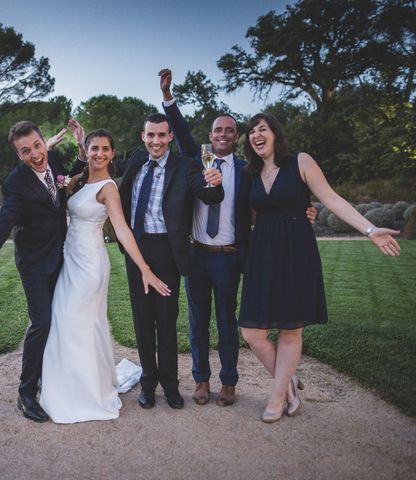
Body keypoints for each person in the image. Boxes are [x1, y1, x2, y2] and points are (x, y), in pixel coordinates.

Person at [159, 69, 317, 407]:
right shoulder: (197, 161)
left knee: (228, 323)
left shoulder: (249, 170)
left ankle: (229, 382)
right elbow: (182, 131)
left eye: (230, 130)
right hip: (198, 255)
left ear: (236, 138)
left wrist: (306, 209)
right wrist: (168, 97)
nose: (223, 134)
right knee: (197, 323)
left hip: (231, 256)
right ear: (211, 135)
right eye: (218, 129)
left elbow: (280, 194)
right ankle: (201, 380)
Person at [238, 112, 401, 423]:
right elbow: (249, 216)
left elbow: (332, 199)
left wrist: (370, 230)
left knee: (290, 327)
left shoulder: (300, 161)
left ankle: (278, 394)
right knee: (252, 331)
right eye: (251, 132)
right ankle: (287, 383)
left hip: (296, 250)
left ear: (275, 134)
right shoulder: (250, 173)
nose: (256, 135)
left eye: (262, 129)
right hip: (262, 254)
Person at [38, 129, 170, 423]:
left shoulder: (109, 187)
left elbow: (122, 229)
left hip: (90, 265)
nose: (99, 154)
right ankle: (70, 382)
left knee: (74, 320)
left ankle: (85, 391)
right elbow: (52, 185)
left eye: (105, 149)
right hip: (70, 260)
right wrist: (47, 149)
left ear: (112, 153)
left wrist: (145, 268)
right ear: (86, 151)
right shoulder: (79, 180)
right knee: (65, 321)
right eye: (93, 148)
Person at [0, 120, 84, 423]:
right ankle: (26, 393)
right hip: (34, 263)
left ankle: (53, 380)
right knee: (42, 322)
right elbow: (6, 219)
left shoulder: (52, 158)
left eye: (37, 146)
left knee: (62, 320)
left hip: (62, 256)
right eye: (25, 151)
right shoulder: (16, 182)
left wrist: (81, 147)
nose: (35, 154)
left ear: (44, 143)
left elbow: (68, 181)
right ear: (19, 155)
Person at [117, 113, 224, 410]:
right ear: (143, 137)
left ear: (170, 137)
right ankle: (148, 385)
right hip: (137, 250)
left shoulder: (186, 166)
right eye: (151, 135)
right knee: (142, 320)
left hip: (168, 251)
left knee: (166, 321)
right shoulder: (137, 161)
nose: (156, 141)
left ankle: (171, 385)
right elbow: (107, 171)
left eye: (162, 135)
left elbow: (209, 195)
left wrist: (216, 182)